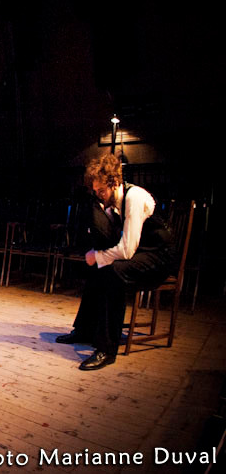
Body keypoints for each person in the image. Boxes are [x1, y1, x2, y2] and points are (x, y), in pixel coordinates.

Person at [55, 154, 174, 371]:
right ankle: (84, 330)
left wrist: (98, 257)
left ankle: (107, 349)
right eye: (95, 191)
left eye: (102, 191)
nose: (99, 196)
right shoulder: (113, 203)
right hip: (143, 254)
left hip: (160, 259)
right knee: (99, 269)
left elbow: (127, 250)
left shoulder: (134, 198)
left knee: (113, 271)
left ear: (115, 183)